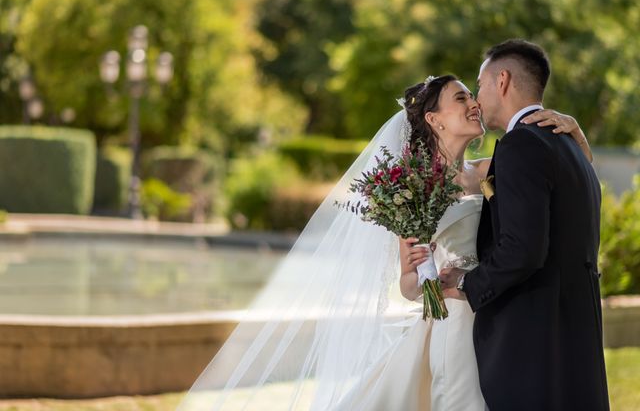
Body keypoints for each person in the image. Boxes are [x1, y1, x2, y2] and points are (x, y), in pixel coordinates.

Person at [177, 59, 592, 411]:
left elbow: (557, 184)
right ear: (433, 119)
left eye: (472, 93)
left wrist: (574, 131)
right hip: (455, 312)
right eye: (461, 98)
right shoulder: (412, 188)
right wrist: (423, 278)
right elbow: (410, 286)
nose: (474, 104)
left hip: (492, 309)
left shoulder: (492, 168)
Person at [439, 39, 609, 410]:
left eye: (479, 86)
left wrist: (467, 284)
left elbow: (523, 248)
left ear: (502, 81)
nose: (476, 100)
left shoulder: (520, 145)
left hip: (532, 334)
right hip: (575, 329)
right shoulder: (571, 148)